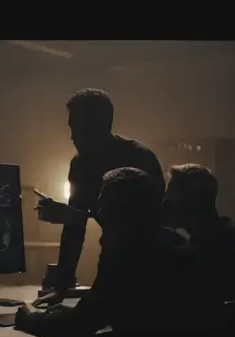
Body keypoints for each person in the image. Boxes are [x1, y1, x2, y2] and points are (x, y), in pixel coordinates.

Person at [16, 167, 221, 337]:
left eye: (104, 206)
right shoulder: (178, 246)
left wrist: (29, 319)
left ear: (121, 212)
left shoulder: (128, 255)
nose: (100, 214)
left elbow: (81, 323)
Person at [35, 88, 165, 306]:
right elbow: (74, 230)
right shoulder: (79, 164)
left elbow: (147, 223)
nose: (72, 136)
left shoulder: (138, 157)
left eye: (76, 127)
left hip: (151, 267)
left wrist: (74, 216)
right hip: (115, 260)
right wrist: (61, 288)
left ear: (97, 127)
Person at [162, 164, 235, 302]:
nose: (164, 202)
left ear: (189, 201)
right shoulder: (231, 236)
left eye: (169, 194)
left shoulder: (205, 249)